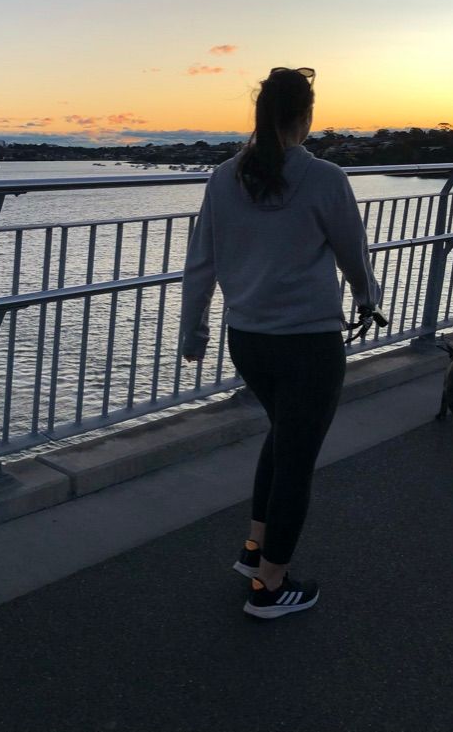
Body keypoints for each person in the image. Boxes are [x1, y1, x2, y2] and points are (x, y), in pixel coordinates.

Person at [180, 66, 381, 619]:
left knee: (283, 437)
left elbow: (201, 263)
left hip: (248, 339)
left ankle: (255, 549)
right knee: (296, 460)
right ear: (305, 116)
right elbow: (353, 252)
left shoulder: (224, 177)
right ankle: (270, 587)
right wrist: (367, 298)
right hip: (308, 344)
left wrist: (193, 331)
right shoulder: (324, 177)